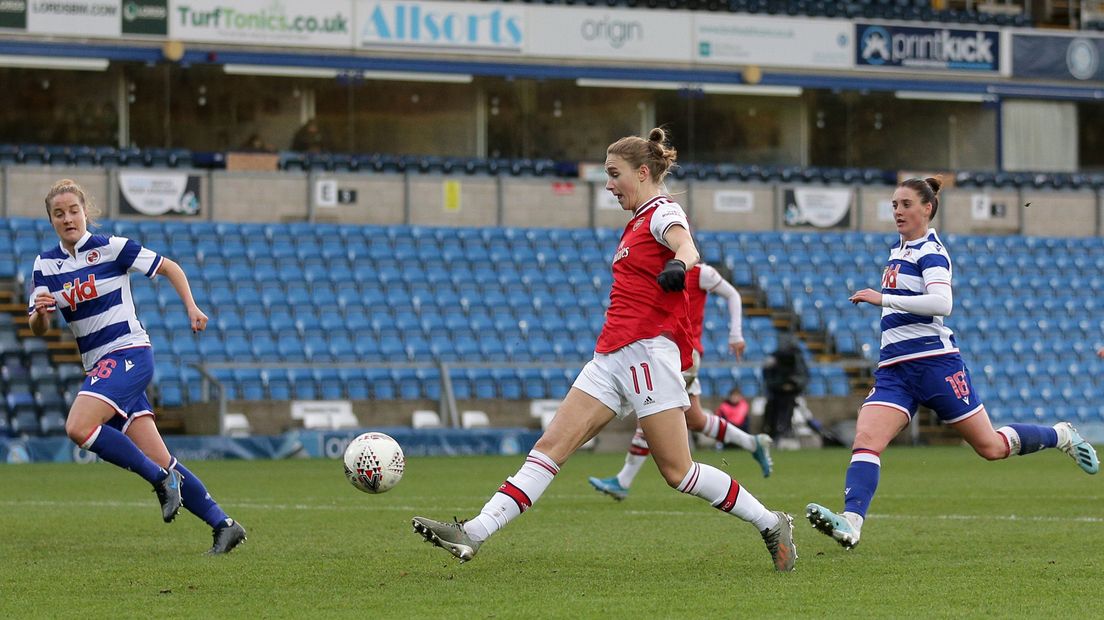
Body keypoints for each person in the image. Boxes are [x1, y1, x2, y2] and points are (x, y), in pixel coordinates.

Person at [411, 129, 796, 572]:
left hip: (648, 355)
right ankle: (474, 532)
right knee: (549, 447)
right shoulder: (635, 222)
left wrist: (678, 264)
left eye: (614, 174)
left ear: (644, 172)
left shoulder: (662, 211)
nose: (609, 184)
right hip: (610, 356)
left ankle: (771, 522)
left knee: (678, 473)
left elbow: (686, 245)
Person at [806, 177, 1099, 551]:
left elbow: (942, 304)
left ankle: (1059, 434)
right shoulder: (899, 250)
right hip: (895, 369)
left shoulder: (931, 251)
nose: (897, 211)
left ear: (927, 208)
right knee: (866, 440)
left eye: (906, 204)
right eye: (894, 204)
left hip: (936, 365)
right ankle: (851, 522)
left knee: (990, 447)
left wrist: (885, 299)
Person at [27, 179, 247, 555]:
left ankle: (161, 481)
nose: (68, 218)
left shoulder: (112, 248)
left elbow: (170, 267)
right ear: (51, 220)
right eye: (58, 214)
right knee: (163, 457)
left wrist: (192, 307)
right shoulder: (45, 265)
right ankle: (223, 524)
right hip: (101, 368)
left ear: (85, 212)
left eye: (73, 211)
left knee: (78, 426)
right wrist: (42, 312)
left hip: (129, 353)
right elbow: (37, 325)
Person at [587, 262, 774, 501]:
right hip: (662, 352)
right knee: (695, 419)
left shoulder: (700, 272)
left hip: (683, 353)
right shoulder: (652, 271)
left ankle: (623, 481)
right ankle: (752, 443)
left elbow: (733, 294)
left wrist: (735, 334)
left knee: (650, 411)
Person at [761, 332, 809, 441]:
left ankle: (785, 433)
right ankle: (772, 434)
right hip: (775, 394)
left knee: (787, 412)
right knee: (772, 414)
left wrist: (792, 384)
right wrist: (780, 385)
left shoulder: (797, 358)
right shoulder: (773, 358)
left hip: (791, 395)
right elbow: (767, 375)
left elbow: (803, 376)